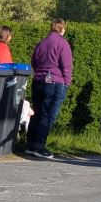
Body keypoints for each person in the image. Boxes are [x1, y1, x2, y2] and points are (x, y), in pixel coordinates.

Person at [25, 18, 73, 159]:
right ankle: (40, 146)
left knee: (37, 113)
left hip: (38, 80)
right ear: (62, 29)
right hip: (55, 82)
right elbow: (66, 66)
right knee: (48, 115)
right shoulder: (63, 44)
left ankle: (30, 144)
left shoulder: (41, 43)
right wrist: (66, 83)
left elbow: (34, 62)